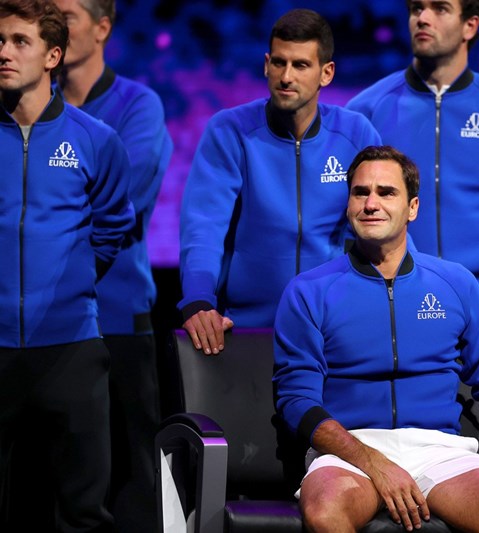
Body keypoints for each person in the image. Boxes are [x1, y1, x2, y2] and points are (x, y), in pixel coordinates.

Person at [273, 145, 479, 533]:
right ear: (348, 204)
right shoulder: (309, 291)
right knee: (326, 514)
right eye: (361, 193)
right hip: (349, 449)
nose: (371, 203)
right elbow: (296, 400)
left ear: (412, 208)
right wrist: (374, 462)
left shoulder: (454, 283)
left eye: (386, 192)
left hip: (437, 450)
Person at [0, 0, 134, 530]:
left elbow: (110, 229)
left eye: (18, 41)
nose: (3, 52)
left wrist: (70, 286)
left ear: (52, 55)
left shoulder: (95, 140)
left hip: (72, 348)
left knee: (82, 513)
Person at [179, 8, 381, 355]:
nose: (286, 76)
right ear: (266, 64)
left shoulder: (355, 133)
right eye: (279, 63)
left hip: (334, 331)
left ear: (326, 73)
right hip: (246, 330)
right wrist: (198, 300)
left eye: (301, 65)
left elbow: (384, 226)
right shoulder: (231, 131)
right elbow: (204, 225)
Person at [347, 0, 479, 330]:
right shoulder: (365, 112)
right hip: (392, 308)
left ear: (470, 26)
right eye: (416, 9)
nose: (422, 18)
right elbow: (347, 223)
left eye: (439, 8)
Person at [52, 0, 172, 530]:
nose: (56, 26)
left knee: (131, 473)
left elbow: (122, 204)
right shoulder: (29, 108)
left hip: (119, 318)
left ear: (102, 28)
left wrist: (42, 221)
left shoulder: (137, 106)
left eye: (68, 15)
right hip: (47, 326)